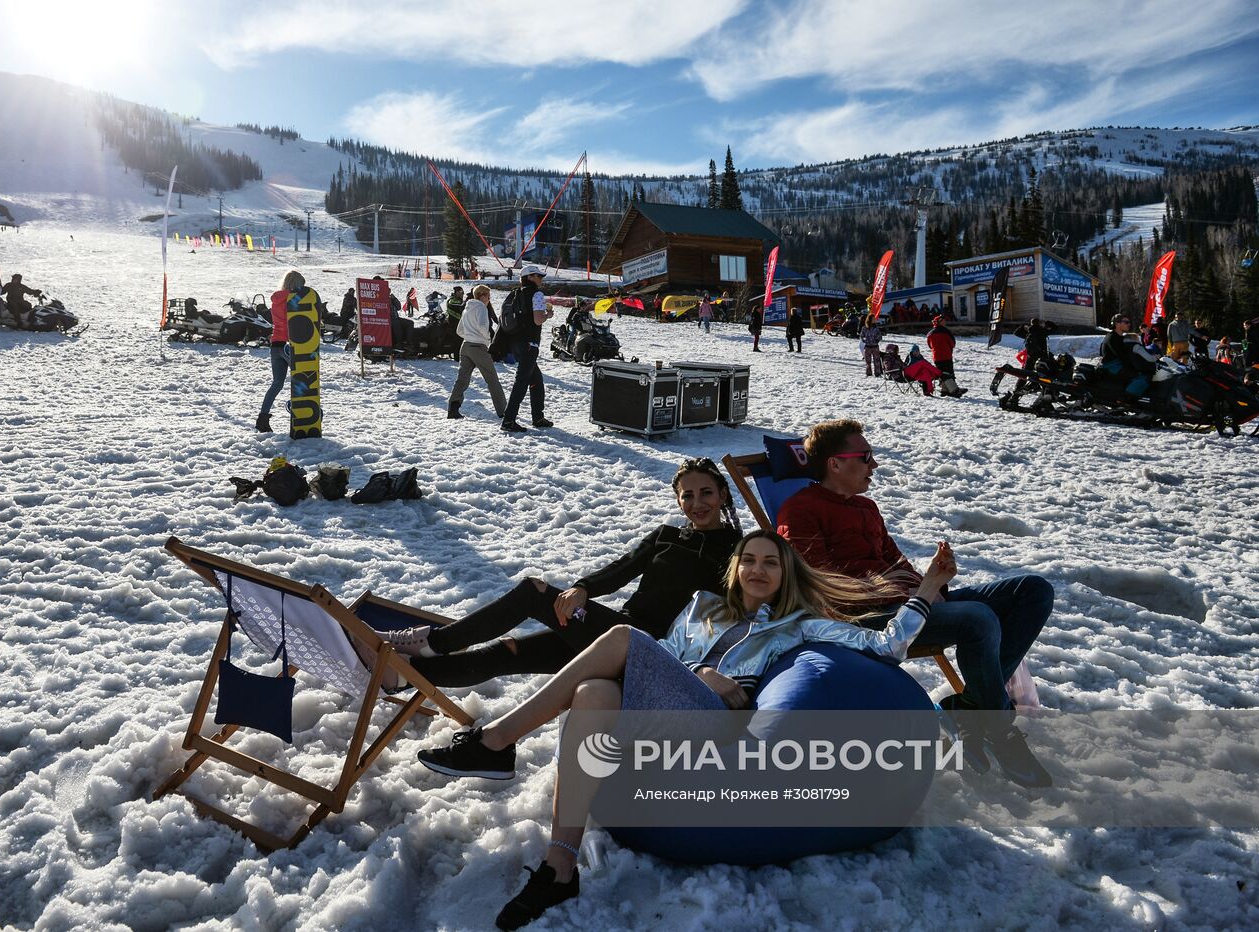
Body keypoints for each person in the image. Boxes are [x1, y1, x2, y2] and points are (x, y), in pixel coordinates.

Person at [413, 530, 955, 929]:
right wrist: (703, 673)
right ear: (735, 568)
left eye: (772, 563)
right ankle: (561, 864)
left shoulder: (801, 624)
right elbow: (667, 657)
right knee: (594, 693)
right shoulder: (703, 608)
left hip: (719, 729)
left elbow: (886, 646)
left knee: (623, 637)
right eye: (750, 560)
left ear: (786, 574)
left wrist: (929, 588)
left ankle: (496, 741)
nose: (759, 570)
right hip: (673, 705)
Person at [775, 419, 1053, 788]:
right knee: (977, 618)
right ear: (835, 463)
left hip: (911, 602)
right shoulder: (801, 510)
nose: (874, 465)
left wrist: (929, 583)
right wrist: (912, 595)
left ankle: (971, 708)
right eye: (866, 456)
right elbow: (822, 583)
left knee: (1032, 590)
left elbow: (893, 560)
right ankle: (998, 727)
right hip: (870, 619)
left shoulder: (866, 507)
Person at [381, 458, 744, 688]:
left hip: (655, 653)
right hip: (615, 633)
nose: (697, 504)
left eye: (706, 493)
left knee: (534, 593)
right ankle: (402, 676)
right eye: (687, 496)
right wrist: (583, 588)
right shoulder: (667, 535)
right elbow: (619, 570)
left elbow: (749, 608)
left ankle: (430, 643)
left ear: (724, 495)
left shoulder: (740, 551)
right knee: (506, 652)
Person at [499, 264, 553, 433]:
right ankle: (508, 420)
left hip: (515, 343)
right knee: (521, 382)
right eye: (538, 276)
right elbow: (537, 320)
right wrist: (548, 315)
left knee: (536, 379)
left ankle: (538, 417)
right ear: (530, 277)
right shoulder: (536, 294)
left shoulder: (515, 293)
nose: (541, 279)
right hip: (530, 343)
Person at [447, 284, 507, 419]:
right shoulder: (481, 308)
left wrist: (470, 336)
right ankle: (503, 411)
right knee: (492, 379)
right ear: (483, 295)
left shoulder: (467, 308)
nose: (489, 299)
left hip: (465, 346)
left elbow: (459, 331)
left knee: (462, 380)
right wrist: (487, 340)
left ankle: (453, 408)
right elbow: (483, 327)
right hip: (478, 347)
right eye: (488, 296)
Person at [256, 270, 299, 432]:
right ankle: (299, 409)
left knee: (277, 383)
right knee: (302, 378)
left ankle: (262, 418)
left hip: (276, 344)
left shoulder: (276, 299)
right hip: (290, 344)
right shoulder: (295, 300)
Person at [1099, 313, 1150, 397]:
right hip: (1112, 367)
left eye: (1129, 322)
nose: (1129, 324)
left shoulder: (1120, 337)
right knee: (1141, 376)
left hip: (1118, 365)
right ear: (1117, 324)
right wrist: (1136, 366)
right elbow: (1122, 356)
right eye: (1126, 322)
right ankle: (1127, 399)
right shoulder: (1112, 337)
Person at [925, 315, 964, 396]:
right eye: (943, 320)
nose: (945, 322)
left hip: (936, 356)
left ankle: (944, 390)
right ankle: (953, 391)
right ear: (939, 322)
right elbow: (952, 343)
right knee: (949, 373)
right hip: (946, 355)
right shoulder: (946, 331)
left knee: (942, 373)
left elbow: (929, 345)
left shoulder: (930, 334)